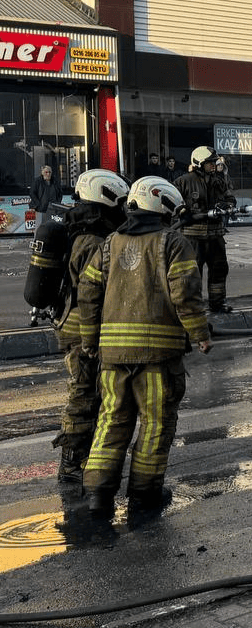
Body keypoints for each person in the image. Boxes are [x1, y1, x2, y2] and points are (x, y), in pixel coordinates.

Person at [78, 176, 212, 517]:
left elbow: (88, 292)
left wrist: (88, 340)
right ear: (164, 206)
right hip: (157, 358)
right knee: (155, 423)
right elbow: (185, 294)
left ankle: (97, 494)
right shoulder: (173, 243)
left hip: (111, 357)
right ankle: (144, 494)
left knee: (111, 421)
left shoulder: (109, 243)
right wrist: (200, 334)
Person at [48, 169, 130, 486]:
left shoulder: (78, 230)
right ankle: (71, 463)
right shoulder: (93, 241)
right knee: (84, 395)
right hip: (82, 327)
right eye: (119, 202)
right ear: (104, 199)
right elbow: (92, 292)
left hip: (74, 322)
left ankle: (84, 456)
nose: (122, 208)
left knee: (93, 392)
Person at [173, 146, 237, 313]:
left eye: (214, 162)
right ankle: (193, 306)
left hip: (216, 234)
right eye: (210, 162)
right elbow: (173, 202)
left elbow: (230, 197)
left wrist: (228, 204)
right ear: (199, 163)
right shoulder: (184, 181)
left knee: (219, 269)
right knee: (193, 272)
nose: (213, 165)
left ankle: (217, 303)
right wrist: (184, 211)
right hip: (193, 237)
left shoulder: (219, 180)